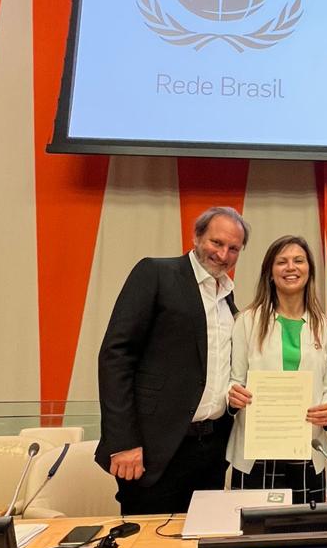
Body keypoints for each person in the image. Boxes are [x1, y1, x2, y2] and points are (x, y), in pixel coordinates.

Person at [96, 206, 250, 515]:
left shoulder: (227, 299)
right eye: (216, 242)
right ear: (196, 237)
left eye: (233, 248)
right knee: (146, 541)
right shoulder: (156, 273)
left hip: (211, 450)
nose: (223, 254)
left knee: (202, 539)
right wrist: (123, 441)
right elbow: (116, 357)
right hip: (154, 450)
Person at [226, 235, 327, 504]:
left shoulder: (326, 326)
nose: (291, 267)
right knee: (253, 529)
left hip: (307, 449)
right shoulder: (247, 321)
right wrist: (233, 394)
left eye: (299, 261)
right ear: (270, 272)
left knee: (306, 528)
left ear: (309, 270)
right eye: (282, 262)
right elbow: (233, 380)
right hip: (256, 453)